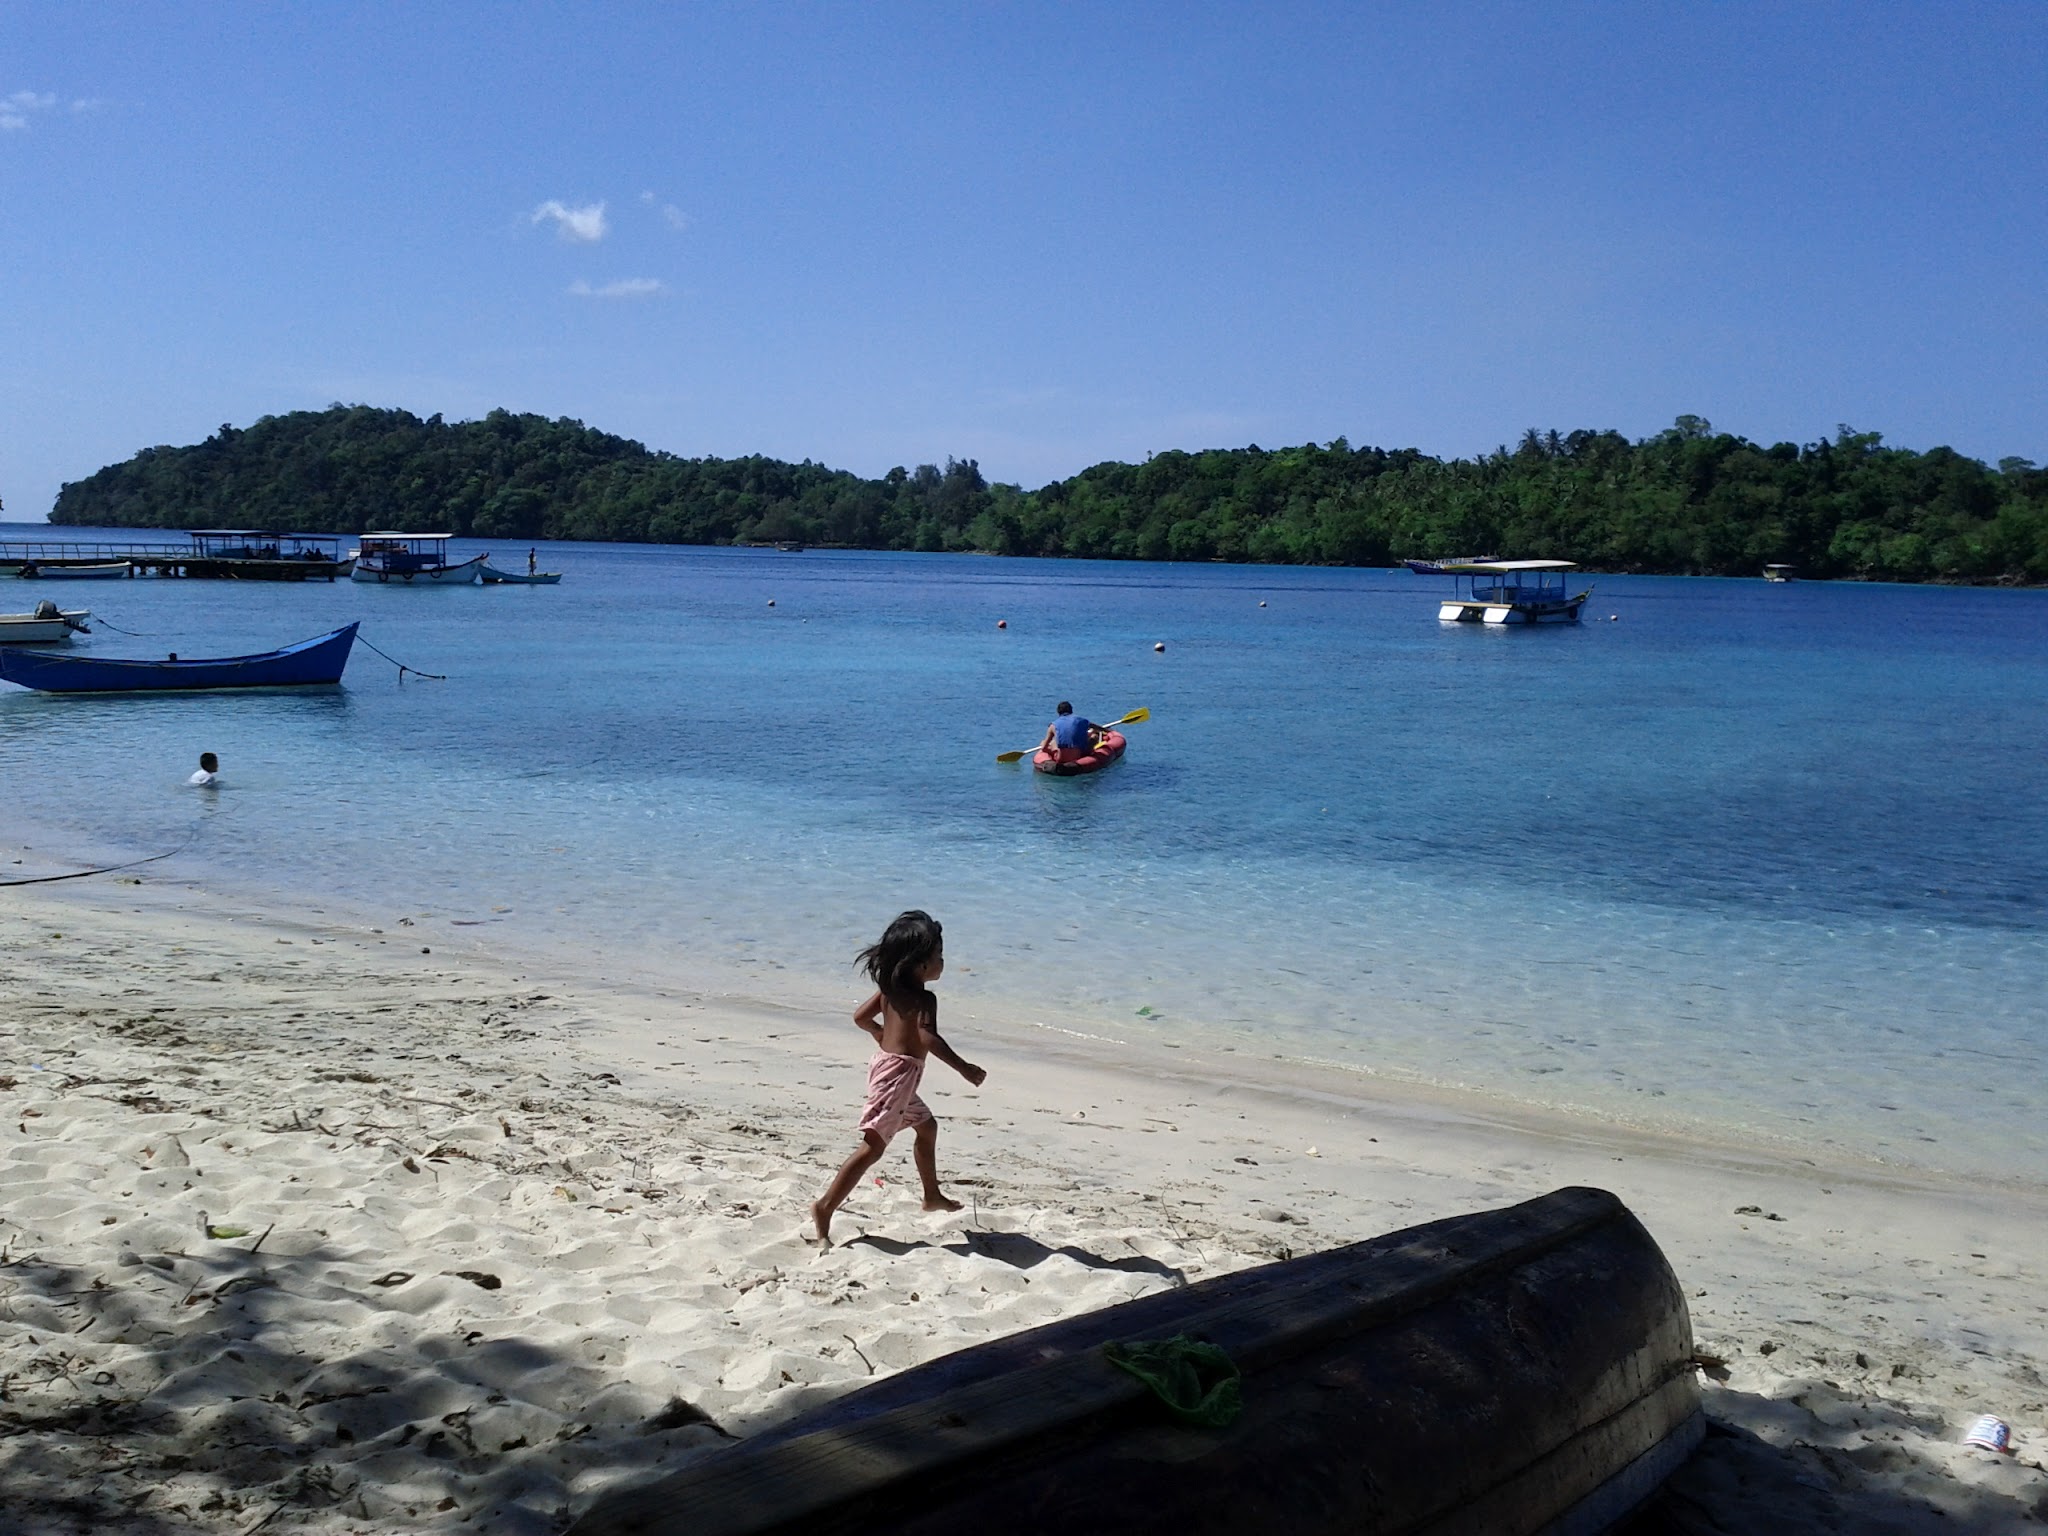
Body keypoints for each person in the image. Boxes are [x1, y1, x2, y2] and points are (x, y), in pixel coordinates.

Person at [812, 910, 985, 1245]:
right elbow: (927, 1038)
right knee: (872, 1147)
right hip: (899, 1077)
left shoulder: (889, 990)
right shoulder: (924, 999)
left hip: (888, 1069)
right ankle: (825, 1206)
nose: (942, 962)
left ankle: (931, 1195)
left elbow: (860, 1018)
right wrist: (965, 1068)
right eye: (939, 956)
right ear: (921, 965)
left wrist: (881, 1033)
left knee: (927, 1127)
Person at [1037, 700, 1102, 765]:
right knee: (1094, 736)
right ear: (1071, 710)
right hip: (1079, 756)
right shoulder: (1081, 720)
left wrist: (1052, 750)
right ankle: (1090, 753)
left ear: (1058, 712)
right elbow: (1096, 727)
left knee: (1047, 742)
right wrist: (1107, 730)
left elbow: (1044, 748)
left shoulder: (1053, 725)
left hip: (1061, 758)